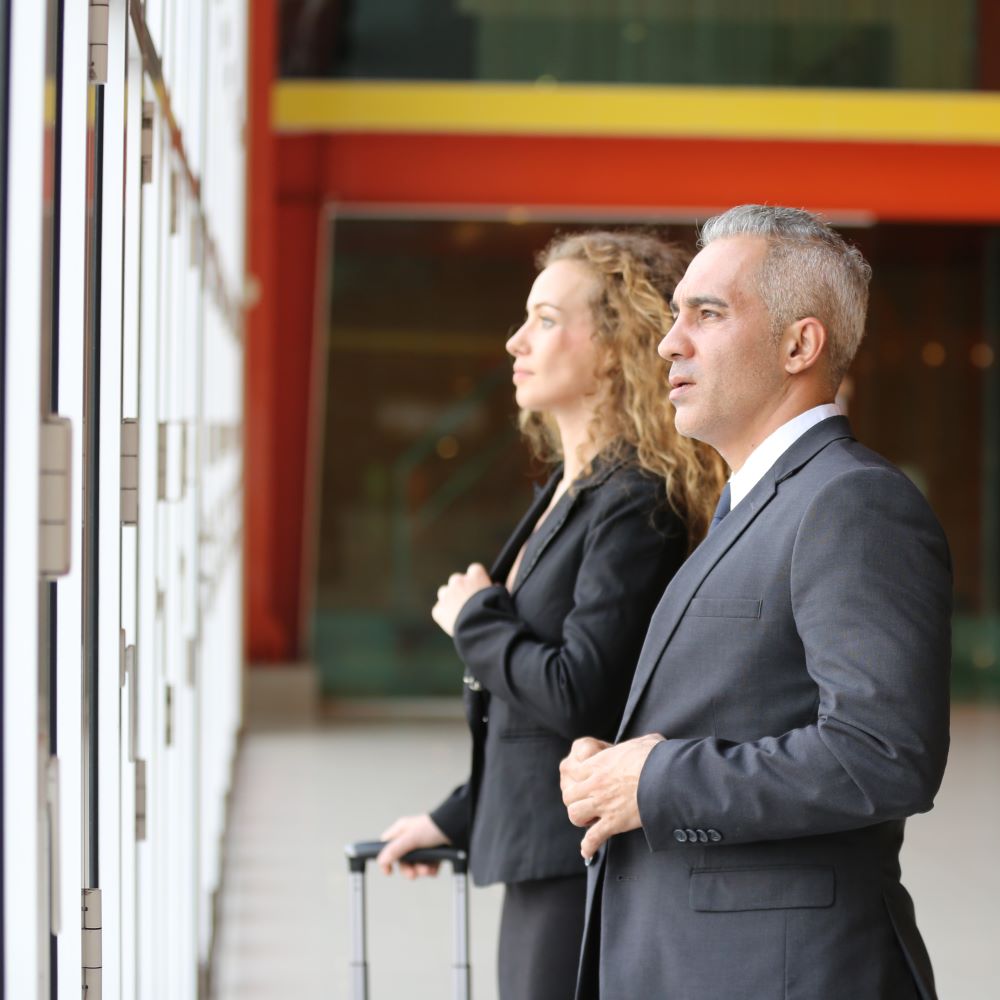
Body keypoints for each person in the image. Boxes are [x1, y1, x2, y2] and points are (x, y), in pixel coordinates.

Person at [559, 205, 952, 1000]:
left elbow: (884, 755)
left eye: (708, 314)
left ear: (799, 345)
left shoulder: (852, 502)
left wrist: (659, 780)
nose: (672, 342)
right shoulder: (755, 505)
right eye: (676, 317)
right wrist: (621, 767)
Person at [376, 230, 726, 1000]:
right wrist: (453, 817)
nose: (514, 341)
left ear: (611, 347)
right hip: (543, 850)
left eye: (543, 319)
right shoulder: (574, 490)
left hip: (577, 858)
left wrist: (476, 619)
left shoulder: (634, 499)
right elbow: (535, 723)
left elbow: (582, 695)